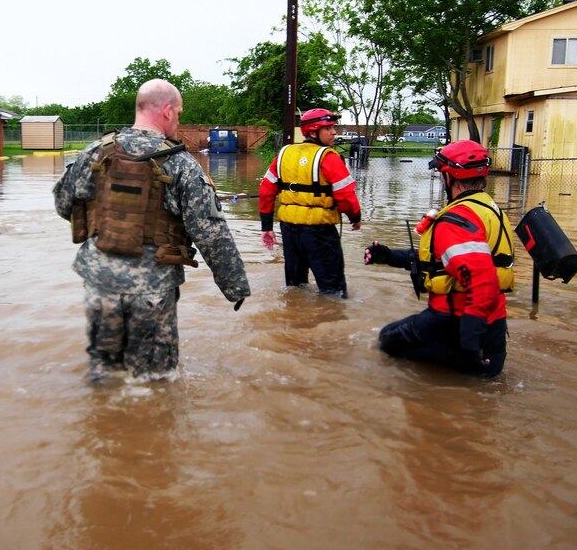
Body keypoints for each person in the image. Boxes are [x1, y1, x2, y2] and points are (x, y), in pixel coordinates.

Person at [53, 79, 251, 380]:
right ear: (168, 111)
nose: (179, 120)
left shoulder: (94, 152)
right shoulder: (181, 163)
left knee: (106, 373)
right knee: (155, 380)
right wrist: (234, 286)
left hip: (98, 282)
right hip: (153, 287)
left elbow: (63, 203)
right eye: (180, 114)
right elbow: (211, 233)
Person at [363, 140, 515, 378]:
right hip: (494, 324)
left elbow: (481, 280)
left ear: (449, 177)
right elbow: (448, 261)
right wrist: (391, 257)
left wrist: (471, 340)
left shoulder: (454, 220)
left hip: (455, 322)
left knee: (386, 340)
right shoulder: (488, 209)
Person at [258, 108, 362, 298]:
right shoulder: (329, 157)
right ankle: (332, 323)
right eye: (328, 128)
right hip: (320, 232)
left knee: (295, 287)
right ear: (313, 132)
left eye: (333, 128)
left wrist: (266, 226)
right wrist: (355, 217)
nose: (334, 133)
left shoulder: (284, 154)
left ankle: (294, 319)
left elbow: (266, 189)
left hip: (289, 230)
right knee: (334, 291)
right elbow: (346, 196)